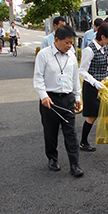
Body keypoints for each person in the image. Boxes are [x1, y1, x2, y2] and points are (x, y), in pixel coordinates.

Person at [33, 25, 84, 177]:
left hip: (67, 99)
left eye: (71, 43)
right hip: (50, 99)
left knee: (71, 133)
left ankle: (74, 164)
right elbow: (38, 78)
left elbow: (75, 78)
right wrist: (43, 96)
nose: (69, 46)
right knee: (50, 132)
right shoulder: (43, 55)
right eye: (67, 42)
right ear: (56, 40)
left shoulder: (72, 56)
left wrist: (77, 97)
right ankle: (52, 158)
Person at [78, 22, 108, 156]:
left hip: (104, 87)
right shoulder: (89, 50)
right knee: (92, 117)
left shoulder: (105, 48)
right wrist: (95, 83)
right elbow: (82, 71)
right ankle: (83, 142)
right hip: (92, 88)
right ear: (103, 36)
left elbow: (104, 67)